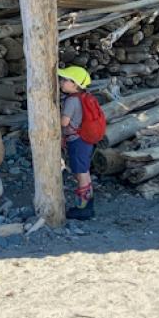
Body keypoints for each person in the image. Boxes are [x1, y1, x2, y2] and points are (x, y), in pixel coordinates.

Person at [57, 65, 99, 220]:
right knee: (85, 172)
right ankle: (88, 205)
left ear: (75, 85)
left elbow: (64, 122)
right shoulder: (82, 97)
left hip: (77, 141)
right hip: (85, 140)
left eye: (65, 80)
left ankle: (82, 209)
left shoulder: (71, 101)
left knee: (81, 174)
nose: (61, 82)